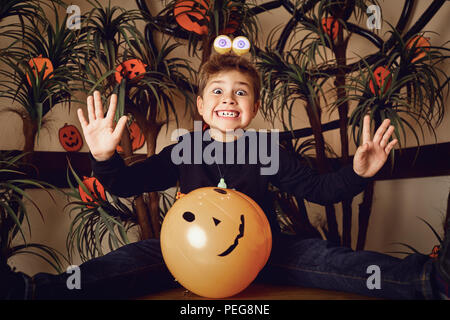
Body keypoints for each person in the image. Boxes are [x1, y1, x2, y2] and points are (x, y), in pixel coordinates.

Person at [1, 53, 448, 300]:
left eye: (241, 92)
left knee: (334, 262)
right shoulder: (184, 148)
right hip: (184, 253)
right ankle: (28, 293)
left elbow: (322, 191)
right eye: (217, 90)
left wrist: (356, 172)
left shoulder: (267, 149)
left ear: (253, 107)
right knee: (117, 266)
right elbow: (124, 185)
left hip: (263, 248)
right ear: (200, 105)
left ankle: (429, 281)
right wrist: (102, 157)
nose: (228, 98)